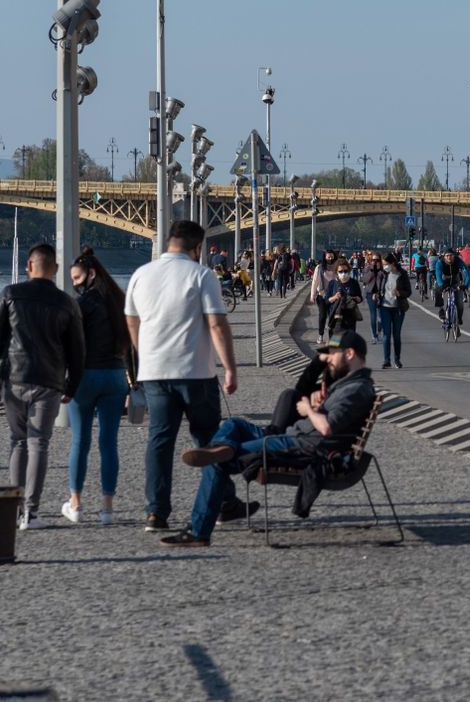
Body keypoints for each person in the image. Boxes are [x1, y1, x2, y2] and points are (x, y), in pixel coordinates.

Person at [161, 331, 377, 547]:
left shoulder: (355, 389)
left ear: (349, 354)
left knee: (216, 462)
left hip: (301, 446)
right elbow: (325, 413)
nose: (328, 358)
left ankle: (199, 531)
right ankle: (223, 447)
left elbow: (327, 427)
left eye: (332, 354)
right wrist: (316, 402)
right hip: (294, 437)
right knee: (234, 424)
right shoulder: (349, 384)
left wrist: (310, 410)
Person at [125, 220, 238, 533]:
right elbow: (216, 324)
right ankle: (223, 505)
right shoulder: (201, 275)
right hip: (195, 372)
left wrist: (146, 354)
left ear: (169, 241)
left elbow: (132, 322)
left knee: (159, 441)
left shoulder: (140, 275)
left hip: (154, 373)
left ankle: (155, 513)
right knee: (209, 439)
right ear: (197, 247)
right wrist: (229, 367)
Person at [0, 244, 86, 530]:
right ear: (57, 269)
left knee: (18, 441)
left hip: (14, 379)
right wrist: (72, 386)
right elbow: (77, 351)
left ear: (28, 265)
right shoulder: (67, 303)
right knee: (39, 443)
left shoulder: (10, 294)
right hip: (49, 381)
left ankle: (14, 510)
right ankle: (31, 512)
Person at [62, 250, 133, 525]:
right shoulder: (119, 301)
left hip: (86, 376)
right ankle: (107, 508)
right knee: (109, 443)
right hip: (115, 377)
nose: (76, 284)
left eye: (77, 278)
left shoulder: (80, 305)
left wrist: (67, 381)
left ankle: (76, 504)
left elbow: (71, 345)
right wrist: (133, 381)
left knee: (80, 441)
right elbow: (131, 348)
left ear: (91, 274)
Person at [371, 252, 412, 368]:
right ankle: (386, 360)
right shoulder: (383, 274)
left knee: (396, 335)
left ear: (392, 263)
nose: (384, 266)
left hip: (398, 307)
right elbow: (378, 288)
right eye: (383, 264)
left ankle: (397, 359)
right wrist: (376, 295)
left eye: (386, 264)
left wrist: (399, 293)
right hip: (385, 307)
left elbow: (408, 292)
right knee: (386, 334)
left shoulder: (402, 274)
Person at [434, 248, 470, 328]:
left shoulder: (458, 261)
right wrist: (441, 285)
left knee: (460, 303)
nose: (449, 257)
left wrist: (465, 285)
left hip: (455, 280)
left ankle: (459, 318)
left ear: (454, 256)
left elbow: (467, 273)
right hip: (444, 279)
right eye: (447, 256)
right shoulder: (440, 262)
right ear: (444, 256)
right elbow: (438, 275)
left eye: (451, 255)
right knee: (437, 288)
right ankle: (441, 308)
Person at [309, 249, 340, 346]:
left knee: (332, 317)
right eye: (328, 256)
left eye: (331, 256)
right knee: (322, 316)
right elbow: (315, 281)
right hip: (322, 295)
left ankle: (332, 339)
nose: (330, 258)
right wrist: (312, 295)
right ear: (325, 257)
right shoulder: (320, 267)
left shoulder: (337, 267)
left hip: (334, 296)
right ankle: (320, 335)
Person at [325, 261, 364, 334]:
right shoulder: (332, 283)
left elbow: (360, 298)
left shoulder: (354, 283)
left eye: (345, 271)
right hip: (336, 317)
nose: (343, 273)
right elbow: (326, 301)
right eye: (340, 271)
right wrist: (334, 297)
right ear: (337, 272)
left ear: (349, 271)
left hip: (350, 317)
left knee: (349, 342)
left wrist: (356, 298)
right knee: (335, 342)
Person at [360, 252, 383, 345]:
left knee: (381, 317)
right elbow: (364, 280)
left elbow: (385, 283)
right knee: (373, 315)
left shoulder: (383, 270)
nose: (375, 262)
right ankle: (374, 335)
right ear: (371, 260)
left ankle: (379, 332)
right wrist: (372, 271)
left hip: (381, 294)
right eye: (374, 260)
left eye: (377, 260)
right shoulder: (367, 269)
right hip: (370, 294)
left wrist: (379, 293)